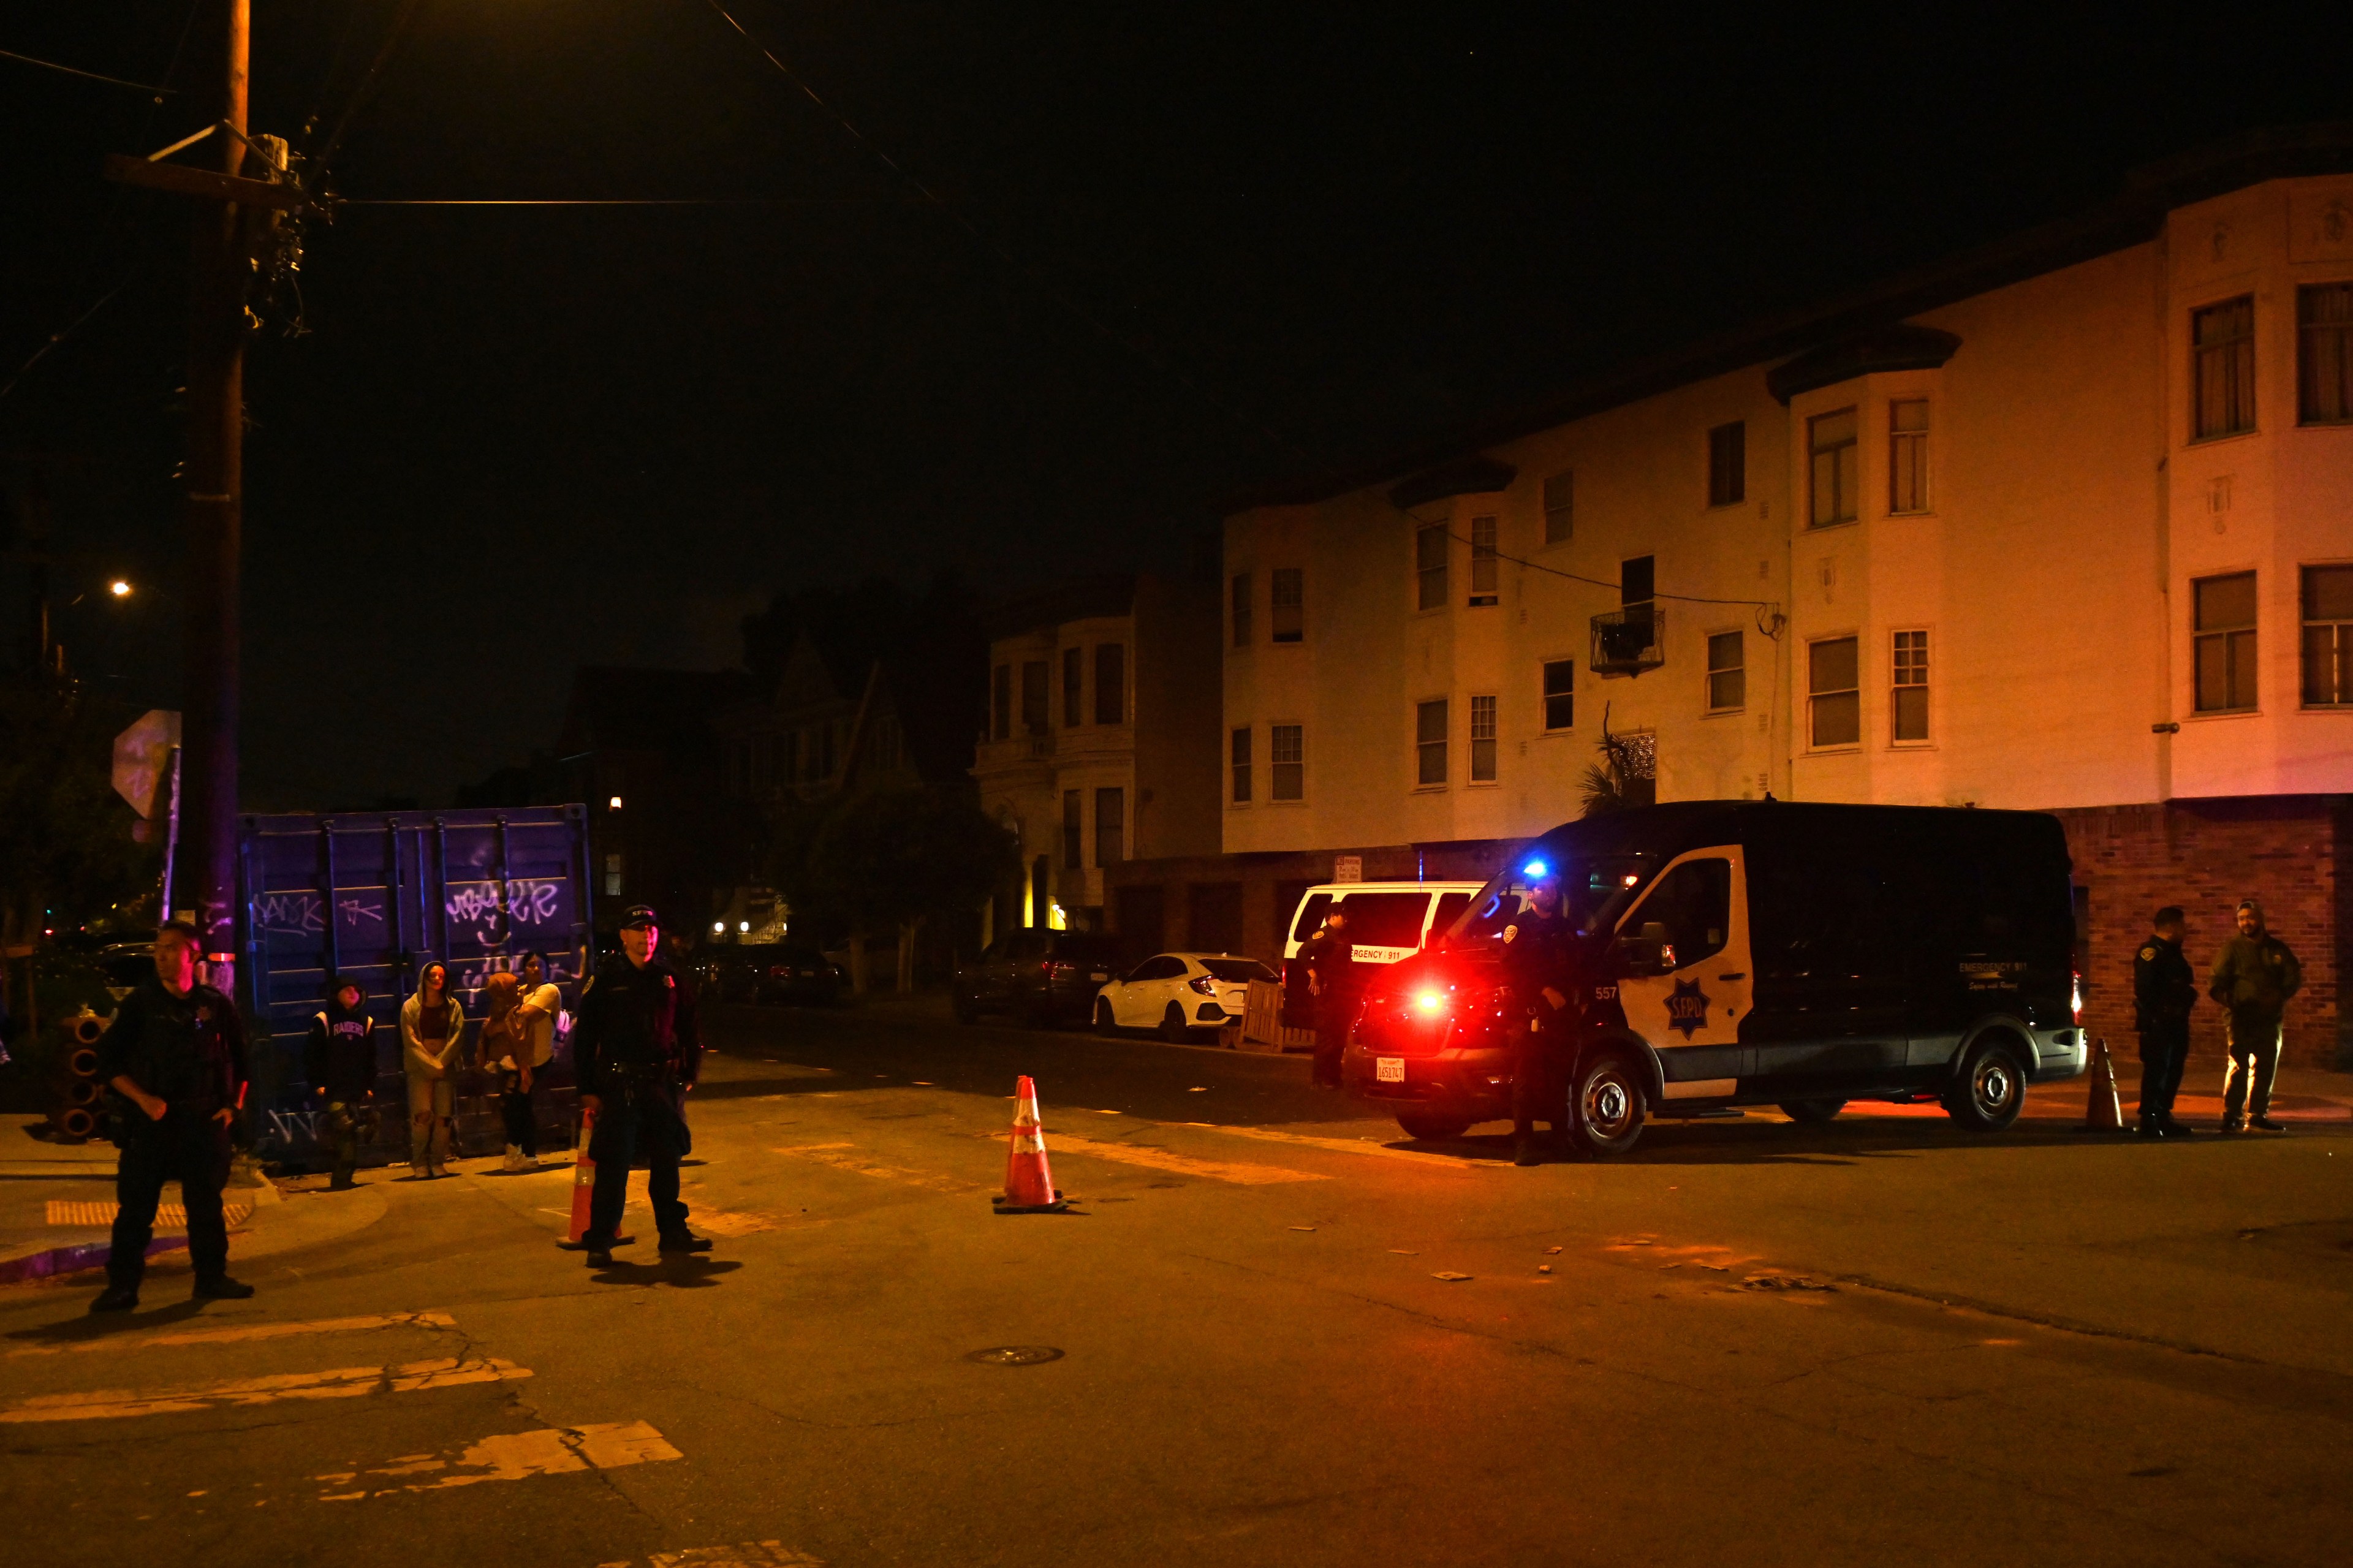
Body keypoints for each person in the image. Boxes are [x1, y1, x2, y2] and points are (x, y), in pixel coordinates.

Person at [88, 921, 252, 1311]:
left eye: (170, 948)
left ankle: (211, 1278)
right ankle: (123, 1287)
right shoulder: (140, 1005)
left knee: (206, 1206)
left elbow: (244, 1061)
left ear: (192, 956)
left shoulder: (214, 1005)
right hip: (153, 1123)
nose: (160, 955)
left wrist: (234, 1107)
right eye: (157, 947)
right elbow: (106, 1062)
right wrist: (142, 1099)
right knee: (137, 1209)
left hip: (203, 1121)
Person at [573, 906, 708, 1265]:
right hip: (620, 1085)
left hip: (662, 1085)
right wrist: (588, 1087)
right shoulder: (606, 980)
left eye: (651, 930)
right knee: (614, 1166)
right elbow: (585, 1037)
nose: (646, 936)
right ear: (623, 937)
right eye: (638, 930)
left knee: (668, 1161)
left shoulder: (669, 977)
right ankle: (600, 1240)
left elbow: (690, 1027)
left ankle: (673, 1233)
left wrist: (689, 1076)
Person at [1498, 869, 1578, 1165]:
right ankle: (1524, 1144)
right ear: (1530, 894)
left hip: (1561, 1018)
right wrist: (1544, 991)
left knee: (1561, 1080)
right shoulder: (1518, 929)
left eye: (1553, 889)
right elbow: (1510, 971)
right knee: (1525, 1083)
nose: (1551, 894)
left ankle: (1562, 1140)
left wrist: (1576, 1001)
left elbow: (1578, 967)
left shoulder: (1565, 928)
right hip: (1529, 1017)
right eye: (1543, 889)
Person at [2210, 898, 2302, 1133]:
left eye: (2250, 918)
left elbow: (2293, 977)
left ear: (2261, 919)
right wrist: (2233, 1003)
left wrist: (2280, 995)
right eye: (2241, 919)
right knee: (2239, 1065)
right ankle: (2232, 1114)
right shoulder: (2232, 949)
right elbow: (2217, 984)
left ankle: (2258, 1115)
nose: (2246, 923)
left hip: (2269, 1019)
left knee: (2266, 1066)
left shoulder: (2277, 949)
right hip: (2241, 1018)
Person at [305, 974, 381, 1187]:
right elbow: (312, 1054)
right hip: (334, 1088)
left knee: (347, 1135)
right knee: (345, 1129)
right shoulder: (323, 1020)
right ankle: (341, 1179)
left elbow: (370, 1057)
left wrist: (369, 1085)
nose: (352, 993)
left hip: (355, 1088)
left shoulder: (366, 1022)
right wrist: (317, 1082)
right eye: (346, 990)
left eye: (356, 990)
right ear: (336, 994)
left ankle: (344, 1178)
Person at [2130, 907, 2199, 1139]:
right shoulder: (2151, 952)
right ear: (2171, 927)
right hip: (2159, 1022)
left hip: (2177, 1020)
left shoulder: (2172, 952)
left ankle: (2163, 1115)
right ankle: (2149, 1118)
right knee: (2157, 1069)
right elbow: (2146, 990)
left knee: (2174, 1068)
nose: (2186, 930)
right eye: (2182, 925)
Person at [401, 960, 467, 1176]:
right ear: (424, 978)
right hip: (420, 1067)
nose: (437, 980)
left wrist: (442, 1062)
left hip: (445, 1067)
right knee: (421, 1116)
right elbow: (410, 1041)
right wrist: (430, 1064)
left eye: (441, 976)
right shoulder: (410, 1007)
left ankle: (438, 1161)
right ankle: (419, 1163)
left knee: (444, 1117)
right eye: (433, 976)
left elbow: (458, 1036)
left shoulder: (453, 1006)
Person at [499, 952, 563, 1170]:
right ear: (524, 969)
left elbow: (525, 1014)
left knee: (517, 1103)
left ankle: (521, 1151)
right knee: (517, 1105)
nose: (536, 969)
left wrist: (508, 1010)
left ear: (547, 968)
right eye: (531, 965)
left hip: (537, 1059)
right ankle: (525, 1154)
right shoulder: (522, 992)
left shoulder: (549, 991)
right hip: (518, 1059)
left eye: (540, 965)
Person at [1300, 907, 1358, 1089]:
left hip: (1341, 992)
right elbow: (1302, 953)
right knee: (1326, 1037)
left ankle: (1333, 1078)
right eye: (1344, 916)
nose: (1347, 919)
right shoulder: (1324, 935)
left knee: (1339, 1037)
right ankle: (1319, 1080)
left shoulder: (1343, 935)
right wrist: (1313, 975)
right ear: (1332, 917)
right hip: (1327, 993)